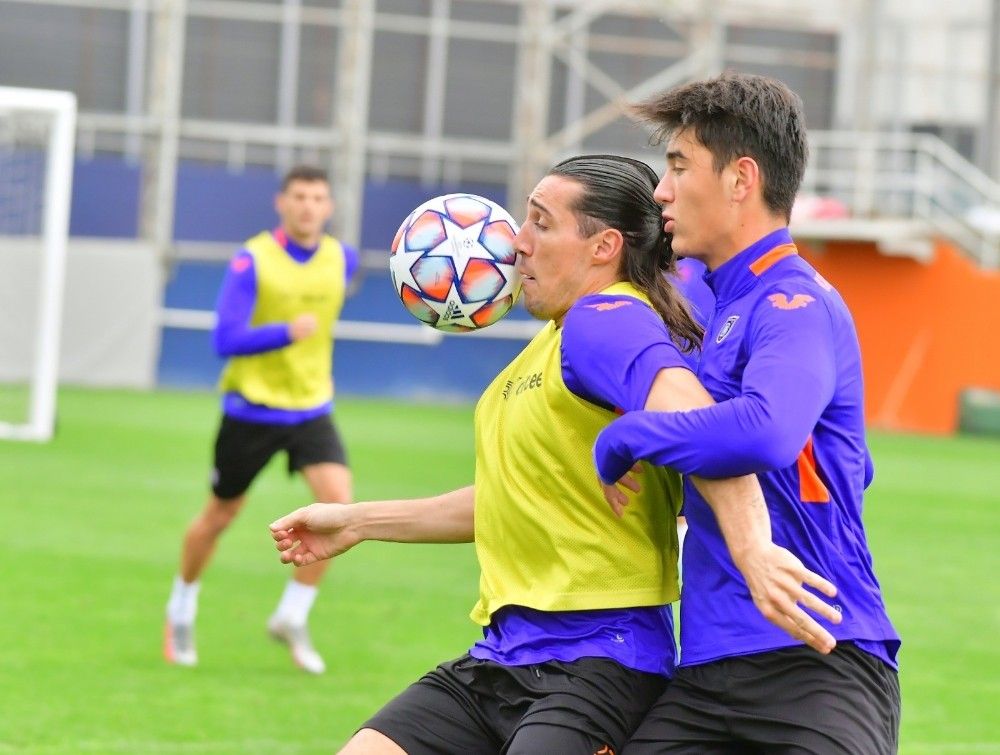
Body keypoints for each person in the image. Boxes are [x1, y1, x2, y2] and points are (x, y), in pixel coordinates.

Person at [269, 154, 839, 754]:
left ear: (604, 246)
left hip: (599, 661)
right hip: (501, 656)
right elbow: (513, 498)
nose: (517, 242)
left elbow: (701, 425)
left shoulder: (608, 320)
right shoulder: (555, 342)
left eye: (541, 222)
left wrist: (753, 547)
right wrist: (356, 522)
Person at [593, 73, 902, 753]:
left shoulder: (794, 301)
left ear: (741, 179)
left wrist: (629, 435)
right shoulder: (721, 305)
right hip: (706, 672)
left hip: (818, 655)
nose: (662, 191)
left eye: (679, 166)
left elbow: (768, 431)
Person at [163, 165, 359, 675]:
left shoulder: (343, 259)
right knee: (220, 516)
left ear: (329, 207)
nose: (308, 206)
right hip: (251, 410)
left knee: (339, 507)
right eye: (299, 197)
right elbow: (224, 339)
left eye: (317, 197)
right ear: (281, 203)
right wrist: (285, 332)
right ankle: (180, 607)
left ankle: (292, 616)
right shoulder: (253, 260)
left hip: (311, 409)